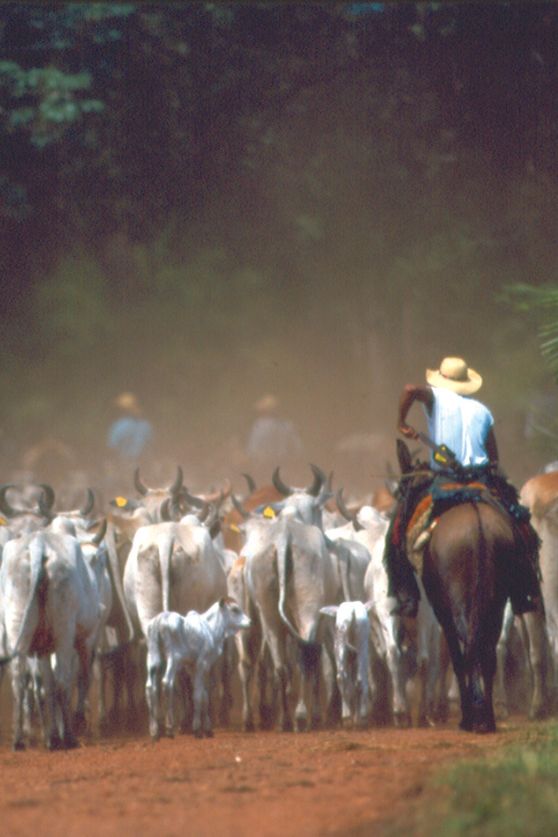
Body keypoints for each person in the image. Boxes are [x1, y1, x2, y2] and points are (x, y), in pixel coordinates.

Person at [386, 356, 541, 618]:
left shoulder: (436, 398)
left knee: (398, 526)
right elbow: (494, 460)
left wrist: (401, 423)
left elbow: (410, 390)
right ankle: (523, 591)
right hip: (481, 481)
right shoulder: (482, 411)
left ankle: (407, 595)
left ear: (442, 380)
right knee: (522, 526)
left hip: (446, 480)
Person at [246, 394, 303, 482]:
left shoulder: (259, 426)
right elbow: (298, 449)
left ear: (264, 411)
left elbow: (252, 450)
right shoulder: (287, 425)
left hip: (263, 468)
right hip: (284, 467)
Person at [106, 392, 153, 465]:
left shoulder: (118, 426)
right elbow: (151, 446)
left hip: (124, 465)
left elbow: (111, 448)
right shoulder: (146, 425)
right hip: (144, 466)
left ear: (121, 409)